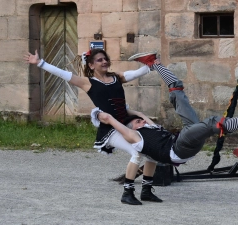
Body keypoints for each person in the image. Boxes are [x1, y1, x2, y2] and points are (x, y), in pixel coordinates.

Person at [91, 59, 238, 195]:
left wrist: (138, 115)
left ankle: (154, 62)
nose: (143, 122)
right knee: (212, 122)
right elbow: (119, 125)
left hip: (185, 142)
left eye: (142, 121)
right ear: (133, 129)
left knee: (177, 92)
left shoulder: (151, 128)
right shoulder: (134, 136)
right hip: (178, 149)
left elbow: (141, 118)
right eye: (138, 123)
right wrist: (106, 118)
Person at [24, 49, 162, 205]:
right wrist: (40, 63)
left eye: (105, 59)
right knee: (136, 152)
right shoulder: (87, 82)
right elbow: (63, 74)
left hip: (125, 124)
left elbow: (136, 73)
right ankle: (127, 193)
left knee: (151, 152)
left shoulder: (116, 78)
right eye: (99, 60)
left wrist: (151, 65)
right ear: (90, 65)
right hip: (110, 130)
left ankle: (147, 191)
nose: (104, 62)